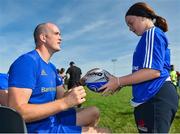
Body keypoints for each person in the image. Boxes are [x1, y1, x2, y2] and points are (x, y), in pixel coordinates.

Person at [8, 22, 110, 133]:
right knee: (104, 132)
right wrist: (65, 103)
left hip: (52, 118)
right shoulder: (27, 62)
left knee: (94, 112)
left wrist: (81, 83)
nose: (60, 38)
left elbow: (62, 96)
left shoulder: (51, 67)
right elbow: (17, 112)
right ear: (43, 37)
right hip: (38, 128)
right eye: (56, 34)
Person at [99, 2, 179, 133]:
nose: (130, 28)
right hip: (149, 97)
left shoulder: (152, 33)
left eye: (131, 23)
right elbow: (144, 72)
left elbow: (153, 72)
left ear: (143, 16)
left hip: (156, 96)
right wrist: (121, 84)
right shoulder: (146, 38)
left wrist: (119, 81)